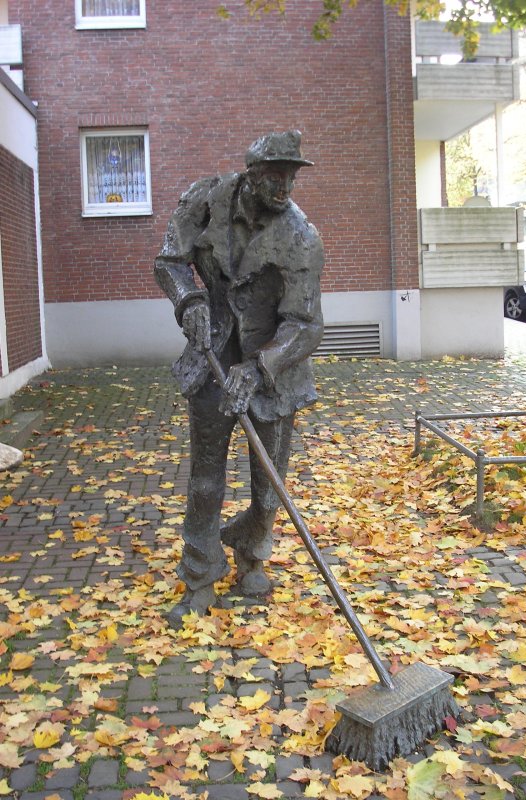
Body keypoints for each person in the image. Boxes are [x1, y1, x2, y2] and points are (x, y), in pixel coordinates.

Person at [154, 131, 324, 627]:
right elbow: (169, 261)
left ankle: (253, 558)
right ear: (251, 174)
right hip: (211, 357)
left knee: (268, 482)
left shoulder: (301, 237)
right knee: (205, 480)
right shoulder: (204, 199)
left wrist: (260, 367)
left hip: (274, 370)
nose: (285, 187)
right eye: (275, 176)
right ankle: (200, 574)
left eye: (292, 177)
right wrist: (187, 300)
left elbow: (306, 324)